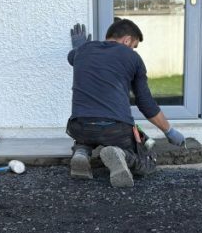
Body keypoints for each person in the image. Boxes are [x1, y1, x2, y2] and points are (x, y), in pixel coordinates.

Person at [66, 18, 186, 188]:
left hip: (79, 125)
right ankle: (121, 154)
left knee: (89, 131)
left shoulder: (82, 51)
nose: (133, 49)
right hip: (114, 129)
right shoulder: (133, 57)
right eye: (134, 45)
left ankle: (81, 152)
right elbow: (145, 103)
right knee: (147, 161)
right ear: (127, 40)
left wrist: (79, 47)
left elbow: (72, 58)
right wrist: (169, 131)